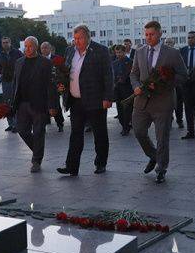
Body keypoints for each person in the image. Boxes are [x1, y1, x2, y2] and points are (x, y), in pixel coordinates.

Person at [131, 21, 187, 183]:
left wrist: (165, 81)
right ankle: (153, 155)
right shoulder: (139, 51)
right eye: (146, 34)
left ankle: (161, 168)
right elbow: (133, 74)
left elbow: (183, 75)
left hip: (163, 102)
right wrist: (135, 87)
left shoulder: (172, 53)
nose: (148, 37)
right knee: (139, 131)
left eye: (152, 34)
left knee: (162, 137)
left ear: (160, 34)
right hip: (142, 101)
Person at [56, 24, 114, 176]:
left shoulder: (101, 51)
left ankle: (100, 163)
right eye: (75, 38)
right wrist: (62, 85)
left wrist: (108, 97)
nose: (77, 41)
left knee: (99, 133)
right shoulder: (70, 51)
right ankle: (71, 166)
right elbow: (64, 72)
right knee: (75, 133)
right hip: (76, 100)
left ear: (88, 36)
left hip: (95, 99)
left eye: (80, 38)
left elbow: (108, 75)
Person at [12, 36, 58, 173]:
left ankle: (36, 160)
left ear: (36, 47)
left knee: (38, 132)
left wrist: (52, 105)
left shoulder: (45, 63)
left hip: (39, 104)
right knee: (22, 130)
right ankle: (38, 150)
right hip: (22, 103)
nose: (27, 49)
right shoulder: (19, 62)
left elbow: (51, 85)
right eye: (25, 46)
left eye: (30, 46)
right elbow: (15, 83)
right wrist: (11, 102)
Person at [0, 37, 23, 133]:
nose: (5, 44)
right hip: (5, 82)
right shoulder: (0, 55)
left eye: (7, 42)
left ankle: (17, 124)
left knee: (15, 102)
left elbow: (24, 64)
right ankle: (10, 124)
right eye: (3, 43)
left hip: (16, 81)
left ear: (10, 43)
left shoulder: (17, 53)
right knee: (7, 103)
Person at [40, 41, 65, 132]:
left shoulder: (56, 59)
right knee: (43, 106)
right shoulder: (38, 59)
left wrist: (61, 85)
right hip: (43, 87)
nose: (44, 49)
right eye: (42, 48)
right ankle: (44, 124)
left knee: (56, 105)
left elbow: (63, 72)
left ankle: (60, 123)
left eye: (46, 47)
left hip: (54, 87)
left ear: (50, 48)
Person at [113, 45, 133, 136]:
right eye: (117, 52)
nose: (118, 54)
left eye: (120, 52)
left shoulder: (130, 62)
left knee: (127, 110)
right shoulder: (114, 63)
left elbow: (129, 75)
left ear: (124, 52)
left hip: (127, 89)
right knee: (120, 109)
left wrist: (122, 79)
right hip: (117, 90)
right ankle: (124, 125)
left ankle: (126, 127)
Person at [164, 37, 184, 128]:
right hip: (165, 84)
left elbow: (181, 69)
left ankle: (179, 120)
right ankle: (169, 119)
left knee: (178, 104)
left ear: (174, 44)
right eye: (166, 42)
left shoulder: (178, 53)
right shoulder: (162, 54)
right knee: (167, 103)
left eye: (170, 42)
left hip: (177, 83)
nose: (168, 44)